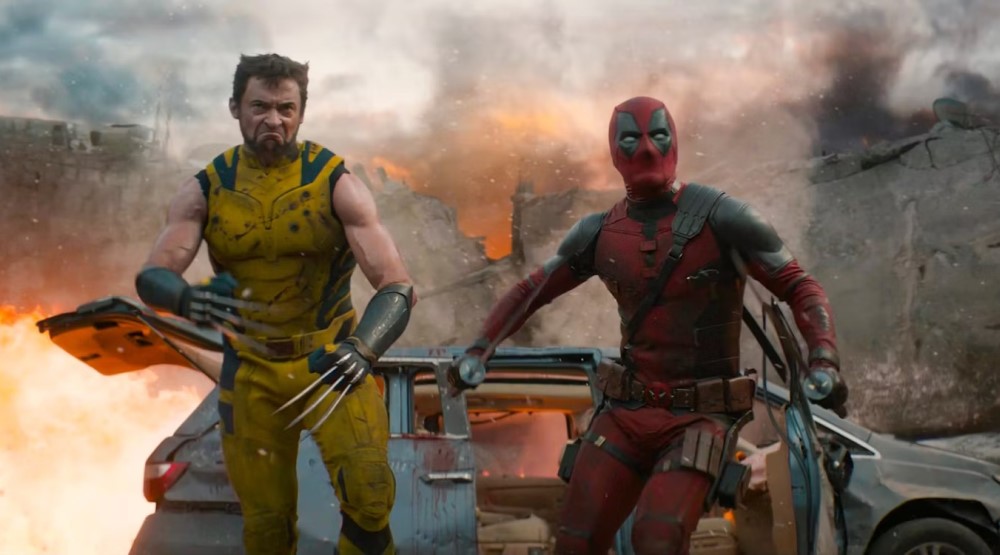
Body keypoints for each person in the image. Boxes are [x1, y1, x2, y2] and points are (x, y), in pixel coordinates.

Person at [449, 96, 847, 554]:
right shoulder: (599, 232)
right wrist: (479, 350)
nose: (646, 149)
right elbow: (531, 291)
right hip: (626, 413)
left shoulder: (724, 218)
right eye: (631, 139)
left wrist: (823, 356)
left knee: (657, 538)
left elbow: (799, 286)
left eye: (658, 136)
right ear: (614, 153)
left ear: (674, 142)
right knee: (576, 541)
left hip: (698, 418)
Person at [134, 53, 413, 555]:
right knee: (265, 526)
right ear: (235, 108)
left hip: (330, 364)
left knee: (371, 501)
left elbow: (396, 285)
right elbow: (153, 275)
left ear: (301, 113)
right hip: (250, 373)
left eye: (286, 108)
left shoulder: (336, 183)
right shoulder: (206, 189)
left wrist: (363, 348)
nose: (274, 120)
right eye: (260, 106)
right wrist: (184, 297)